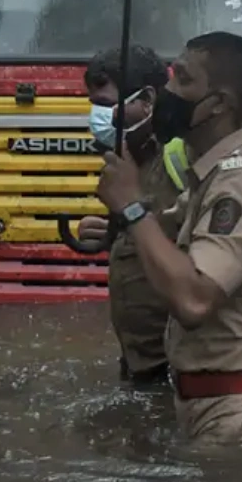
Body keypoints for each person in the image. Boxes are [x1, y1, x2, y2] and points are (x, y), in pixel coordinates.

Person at [90, 31, 242, 444]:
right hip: (227, 409)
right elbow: (166, 240)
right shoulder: (215, 175)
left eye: (183, 80)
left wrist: (133, 208)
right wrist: (123, 220)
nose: (168, 91)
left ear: (219, 104)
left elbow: (194, 299)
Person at [81, 45, 179, 387]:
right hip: (140, 361)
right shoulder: (125, 160)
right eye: (93, 106)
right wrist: (110, 233)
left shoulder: (178, 156)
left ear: (148, 99)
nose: (97, 117)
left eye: (107, 106)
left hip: (177, 365)